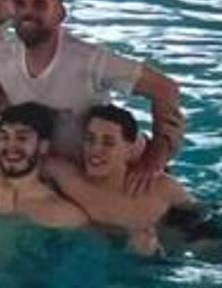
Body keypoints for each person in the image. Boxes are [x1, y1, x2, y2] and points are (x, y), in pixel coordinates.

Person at [0, 0, 183, 192]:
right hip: (71, 173)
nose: (27, 12)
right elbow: (2, 105)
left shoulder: (88, 60)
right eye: (20, 4)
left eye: (39, 5)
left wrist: (154, 160)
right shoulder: (1, 58)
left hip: (128, 170)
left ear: (60, 15)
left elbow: (165, 88)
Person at [45, 105, 199, 255]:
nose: (95, 149)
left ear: (129, 150)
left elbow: (202, 231)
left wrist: (157, 254)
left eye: (108, 143)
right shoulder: (66, 176)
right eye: (90, 139)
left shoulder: (162, 189)